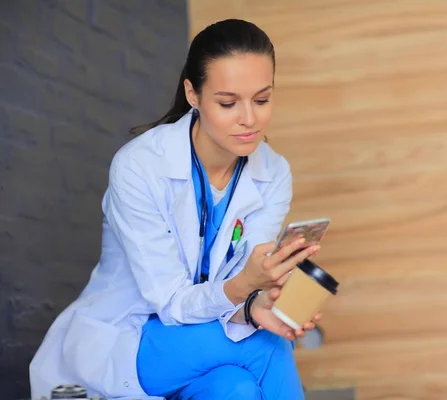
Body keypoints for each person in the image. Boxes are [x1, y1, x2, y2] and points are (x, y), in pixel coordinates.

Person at [29, 19, 322, 400]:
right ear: (193, 94)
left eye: (262, 99)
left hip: (207, 335)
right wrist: (245, 288)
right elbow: (170, 303)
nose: (250, 119)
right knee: (267, 348)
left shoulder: (274, 172)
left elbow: (239, 284)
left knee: (235, 387)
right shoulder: (139, 165)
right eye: (228, 103)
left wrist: (256, 304)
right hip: (134, 340)